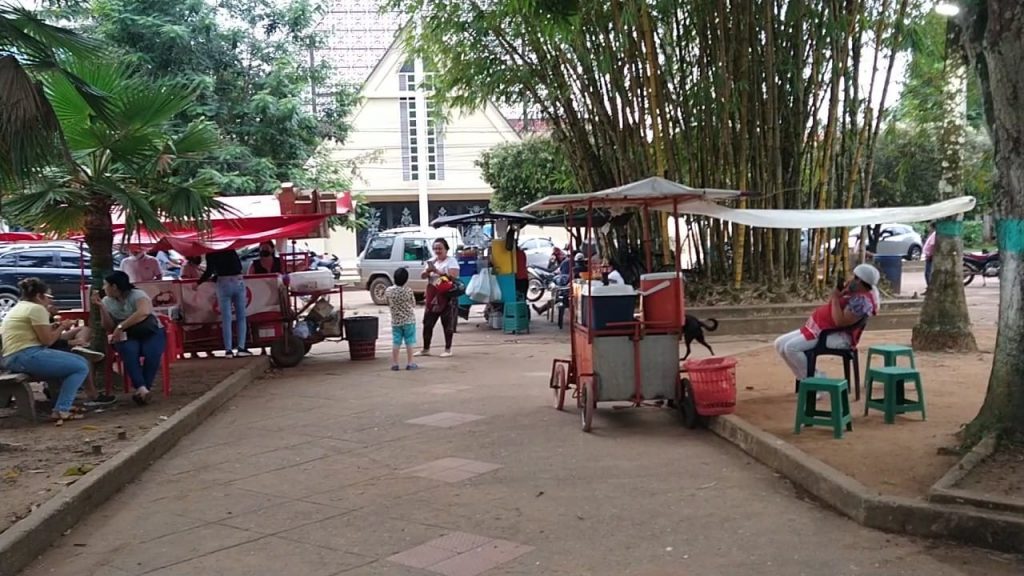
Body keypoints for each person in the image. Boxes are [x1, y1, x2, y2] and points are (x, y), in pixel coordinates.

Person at [1, 278, 91, 423]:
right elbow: (47, 341)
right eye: (48, 297)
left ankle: (62, 404)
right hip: (25, 355)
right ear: (39, 296)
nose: (50, 301)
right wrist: (62, 327)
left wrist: (55, 326)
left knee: (79, 362)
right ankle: (62, 409)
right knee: (81, 367)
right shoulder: (37, 309)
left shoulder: (20, 306)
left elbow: (37, 333)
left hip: (14, 356)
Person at [774, 264, 880, 382]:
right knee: (779, 343)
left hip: (838, 336)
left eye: (855, 278)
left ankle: (816, 381)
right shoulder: (856, 291)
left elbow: (839, 321)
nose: (852, 280)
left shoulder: (862, 302)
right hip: (820, 327)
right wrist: (843, 292)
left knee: (791, 348)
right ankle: (804, 378)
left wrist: (835, 298)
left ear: (862, 282)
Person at [96, 272, 167, 405]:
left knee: (152, 354)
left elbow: (143, 312)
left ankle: (144, 388)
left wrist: (121, 326)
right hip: (127, 335)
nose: (103, 288)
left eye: (106, 285)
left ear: (114, 286)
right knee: (129, 352)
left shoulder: (137, 295)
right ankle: (142, 388)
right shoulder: (107, 301)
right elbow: (108, 326)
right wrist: (101, 308)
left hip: (149, 330)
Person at [197, 249, 252, 357]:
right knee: (241, 316)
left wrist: (198, 282)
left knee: (226, 318)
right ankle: (241, 347)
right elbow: (238, 266)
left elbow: (209, 271)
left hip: (222, 282)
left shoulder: (210, 252)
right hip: (237, 280)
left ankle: (228, 350)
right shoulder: (230, 248)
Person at [417, 238, 461, 358]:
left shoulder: (451, 261)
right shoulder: (432, 261)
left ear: (446, 249)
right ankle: (426, 349)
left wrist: (437, 271)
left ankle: (448, 349)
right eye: (435, 248)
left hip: (447, 296)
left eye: (440, 248)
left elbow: (453, 277)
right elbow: (422, 276)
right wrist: (427, 271)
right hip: (432, 295)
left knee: (447, 324)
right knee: (427, 323)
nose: (437, 250)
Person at [385, 267, 417, 371]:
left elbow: (388, 302)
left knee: (396, 342)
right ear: (406, 279)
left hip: (396, 321)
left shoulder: (389, 290)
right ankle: (410, 363)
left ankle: (395, 363)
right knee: (409, 341)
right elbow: (413, 304)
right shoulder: (408, 290)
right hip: (409, 320)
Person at [923, 222, 937, 290]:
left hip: (930, 256)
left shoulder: (934, 234)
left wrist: (930, 254)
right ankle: (929, 287)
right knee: (928, 273)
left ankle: (930, 287)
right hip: (929, 255)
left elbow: (932, 245)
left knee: (928, 273)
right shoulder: (933, 234)